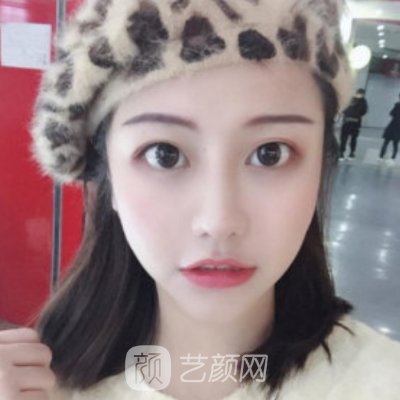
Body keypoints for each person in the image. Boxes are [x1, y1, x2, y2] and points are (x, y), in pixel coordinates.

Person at [0, 1, 399, 399]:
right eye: (165, 154)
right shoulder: (43, 385)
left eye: (270, 153)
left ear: (321, 166)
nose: (219, 221)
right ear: (109, 180)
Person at [338, 88, 368, 159]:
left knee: (347, 138)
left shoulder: (354, 100)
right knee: (350, 138)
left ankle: (344, 153)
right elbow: (363, 111)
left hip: (350, 122)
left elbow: (344, 109)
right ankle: (348, 153)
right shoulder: (362, 101)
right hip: (354, 122)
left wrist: (346, 113)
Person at [379, 94, 400, 163]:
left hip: (393, 126)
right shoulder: (397, 105)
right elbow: (391, 113)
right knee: (394, 143)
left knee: (387, 142)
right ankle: (392, 158)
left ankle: (381, 157)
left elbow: (391, 113)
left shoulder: (397, 105)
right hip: (396, 127)